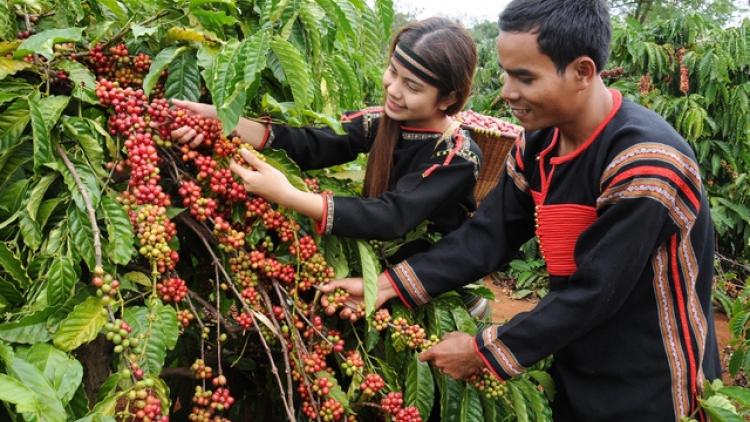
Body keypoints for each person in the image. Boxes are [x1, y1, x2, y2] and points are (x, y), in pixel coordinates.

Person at [322, 1, 722, 421]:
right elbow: (488, 236)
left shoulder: (646, 162)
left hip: (651, 383)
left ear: (582, 72)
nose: (507, 92)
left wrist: (483, 351)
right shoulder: (537, 144)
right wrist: (386, 285)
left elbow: (594, 291)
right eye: (506, 73)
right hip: (576, 360)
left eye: (525, 77)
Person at [166, 17, 490, 321]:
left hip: (437, 291)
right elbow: (312, 142)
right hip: (380, 273)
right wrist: (226, 121)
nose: (393, 89)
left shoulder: (458, 157)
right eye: (393, 72)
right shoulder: (383, 121)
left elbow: (391, 215)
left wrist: (288, 195)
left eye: (413, 86)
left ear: (448, 98)